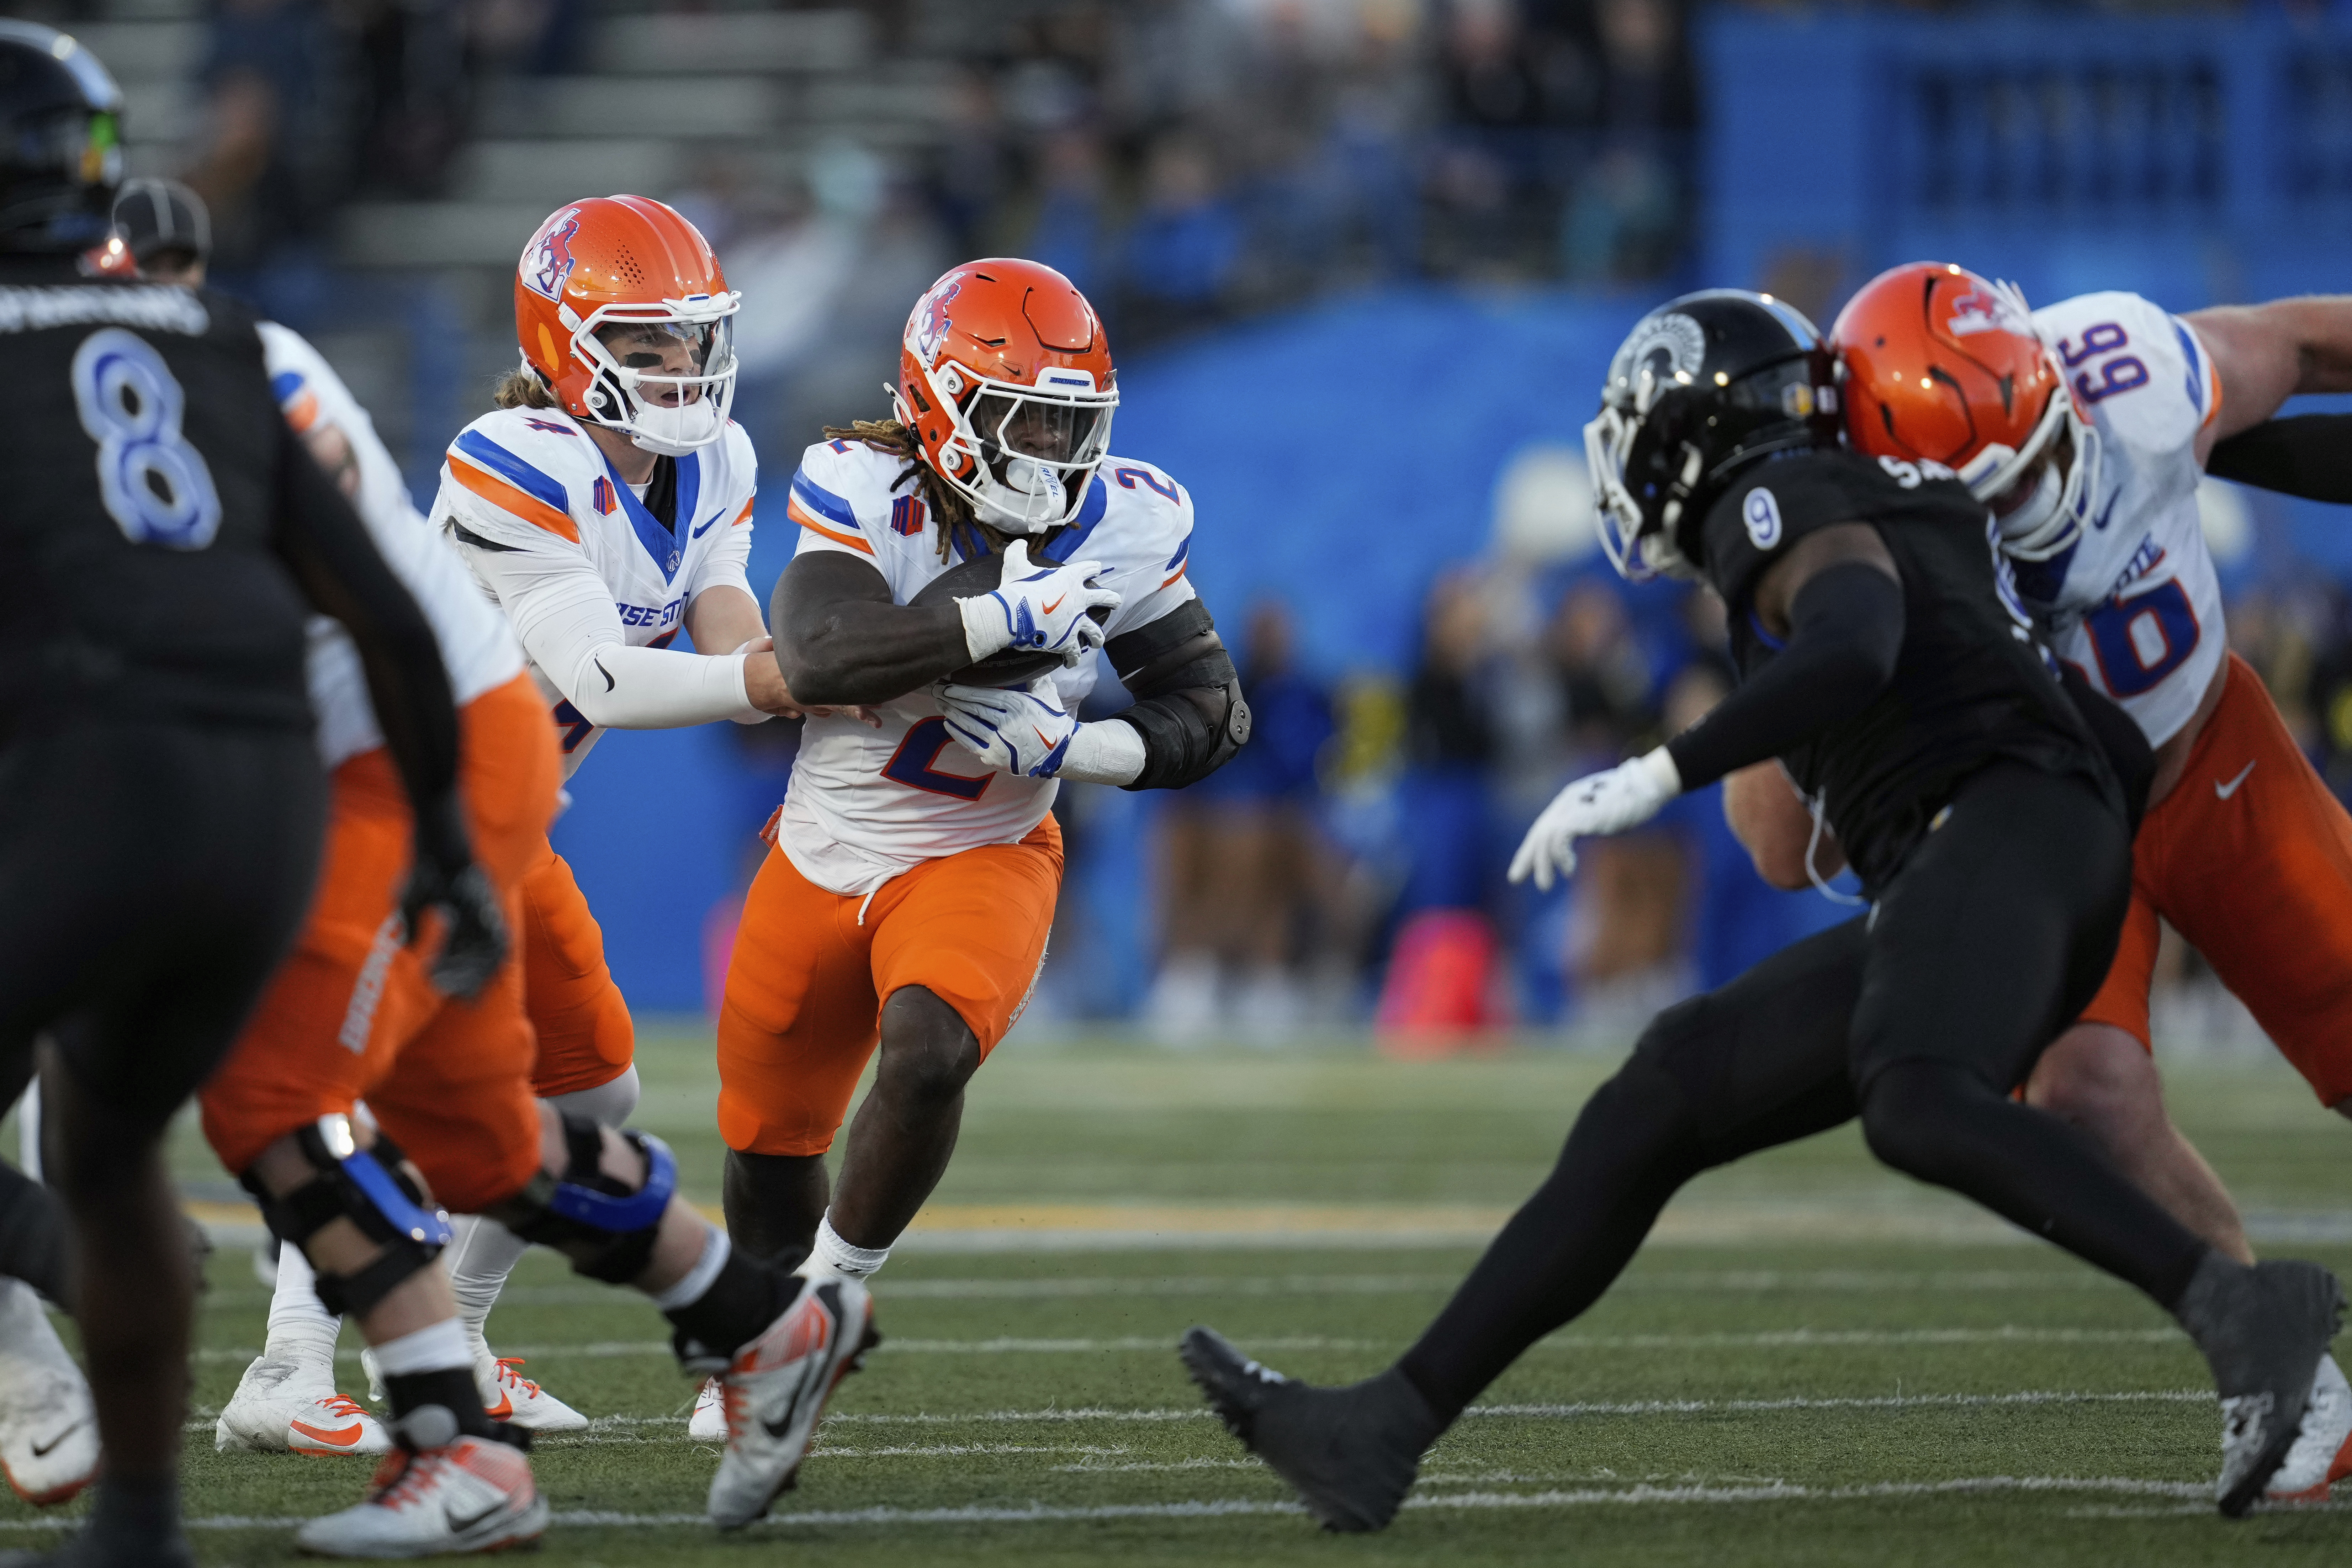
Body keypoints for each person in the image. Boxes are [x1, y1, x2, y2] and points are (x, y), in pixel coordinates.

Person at [1178, 288, 2341, 1530]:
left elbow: (1853, 640)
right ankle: (1382, 1429)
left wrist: (1657, 770)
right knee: (1666, 1089)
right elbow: (1789, 844)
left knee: (1919, 1093)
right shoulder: (1816, 513)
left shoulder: (1782, 501)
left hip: (2040, 816)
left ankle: (2241, 1312)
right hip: (2021, 828)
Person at [0, 22, 496, 1567]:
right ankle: (138, 1524)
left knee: (81, 1182)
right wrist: (453, 848)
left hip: (94, 783)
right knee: (107, 1126)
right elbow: (387, 609)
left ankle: (56, 1263)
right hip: (272, 803)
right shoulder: (210, 333)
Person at [1815, 262, 2352, 1500]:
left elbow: (2299, 345)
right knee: (2080, 1097)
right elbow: (1799, 845)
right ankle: (2276, 1371)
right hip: (2044, 824)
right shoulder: (1852, 555)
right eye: (1994, 492)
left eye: (2039, 453)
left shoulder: (2129, 377)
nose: (2041, 500)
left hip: (2212, 750)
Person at [712, 256, 1247, 1430]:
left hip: (985, 848)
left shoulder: (1126, 514)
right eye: (1026, 417)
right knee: (766, 1147)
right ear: (941, 403)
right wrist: (991, 623)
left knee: (927, 1047)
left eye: (1075, 420)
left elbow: (1211, 709)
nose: (1056, 449)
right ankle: (753, 1337)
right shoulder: (862, 479)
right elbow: (815, 654)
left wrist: (1074, 749)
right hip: (824, 846)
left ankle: (829, 1307)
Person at [427, 194, 816, 1432]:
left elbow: (727, 625)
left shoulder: (718, 460)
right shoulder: (512, 456)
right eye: (645, 344)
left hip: (505, 825)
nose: (680, 369)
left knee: (590, 1100)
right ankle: (290, 1369)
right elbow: (605, 677)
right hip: (388, 814)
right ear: (564, 341)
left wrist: (836, 681)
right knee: (378, 1082)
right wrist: (780, 681)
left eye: (692, 340)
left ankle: (450, 1339)